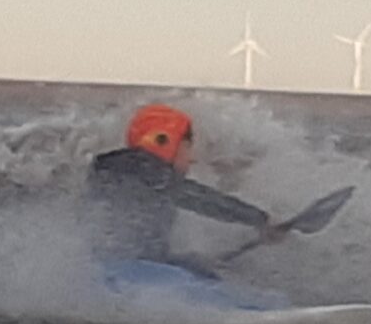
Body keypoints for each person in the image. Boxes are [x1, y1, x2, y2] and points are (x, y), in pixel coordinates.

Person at [86, 103, 287, 277]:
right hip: (132, 274)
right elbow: (200, 198)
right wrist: (260, 219)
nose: (191, 158)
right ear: (165, 142)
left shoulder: (112, 169)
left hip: (107, 273)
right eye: (187, 148)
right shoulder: (149, 172)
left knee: (194, 264)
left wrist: (195, 263)